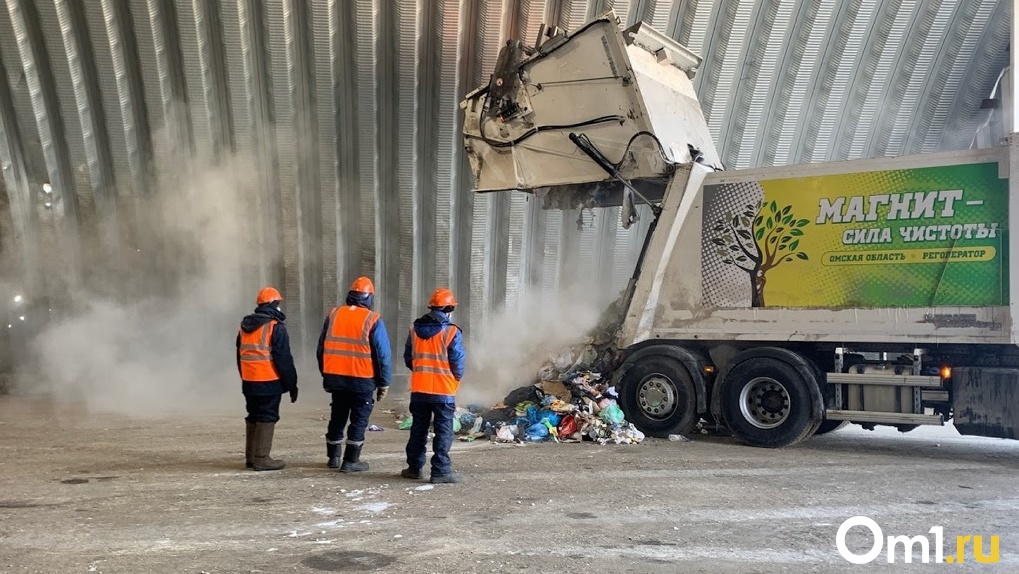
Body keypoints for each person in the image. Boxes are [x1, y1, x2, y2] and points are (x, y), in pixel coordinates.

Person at [317, 276, 392, 472]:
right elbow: (382, 354)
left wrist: (326, 376)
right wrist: (384, 382)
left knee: (338, 416)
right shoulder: (372, 319)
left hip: (336, 378)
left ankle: (333, 458)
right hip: (362, 379)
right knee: (359, 419)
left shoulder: (334, 315)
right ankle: (351, 461)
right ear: (369, 298)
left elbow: (321, 349)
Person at [401, 288, 466, 484]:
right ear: (448, 309)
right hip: (443, 391)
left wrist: (422, 372)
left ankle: (414, 468)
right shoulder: (451, 332)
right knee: (443, 430)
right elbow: (458, 362)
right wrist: (455, 378)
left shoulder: (414, 331)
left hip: (420, 390)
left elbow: (408, 358)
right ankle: (440, 471)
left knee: (418, 429)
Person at [236, 287, 298, 471]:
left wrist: (245, 377)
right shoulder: (274, 327)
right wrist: (291, 384)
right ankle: (262, 458)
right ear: (273, 305)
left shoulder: (244, 327)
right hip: (269, 381)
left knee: (254, 415)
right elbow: (283, 359)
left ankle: (251, 458)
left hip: (249, 381)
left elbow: (238, 355)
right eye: (278, 304)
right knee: (267, 416)